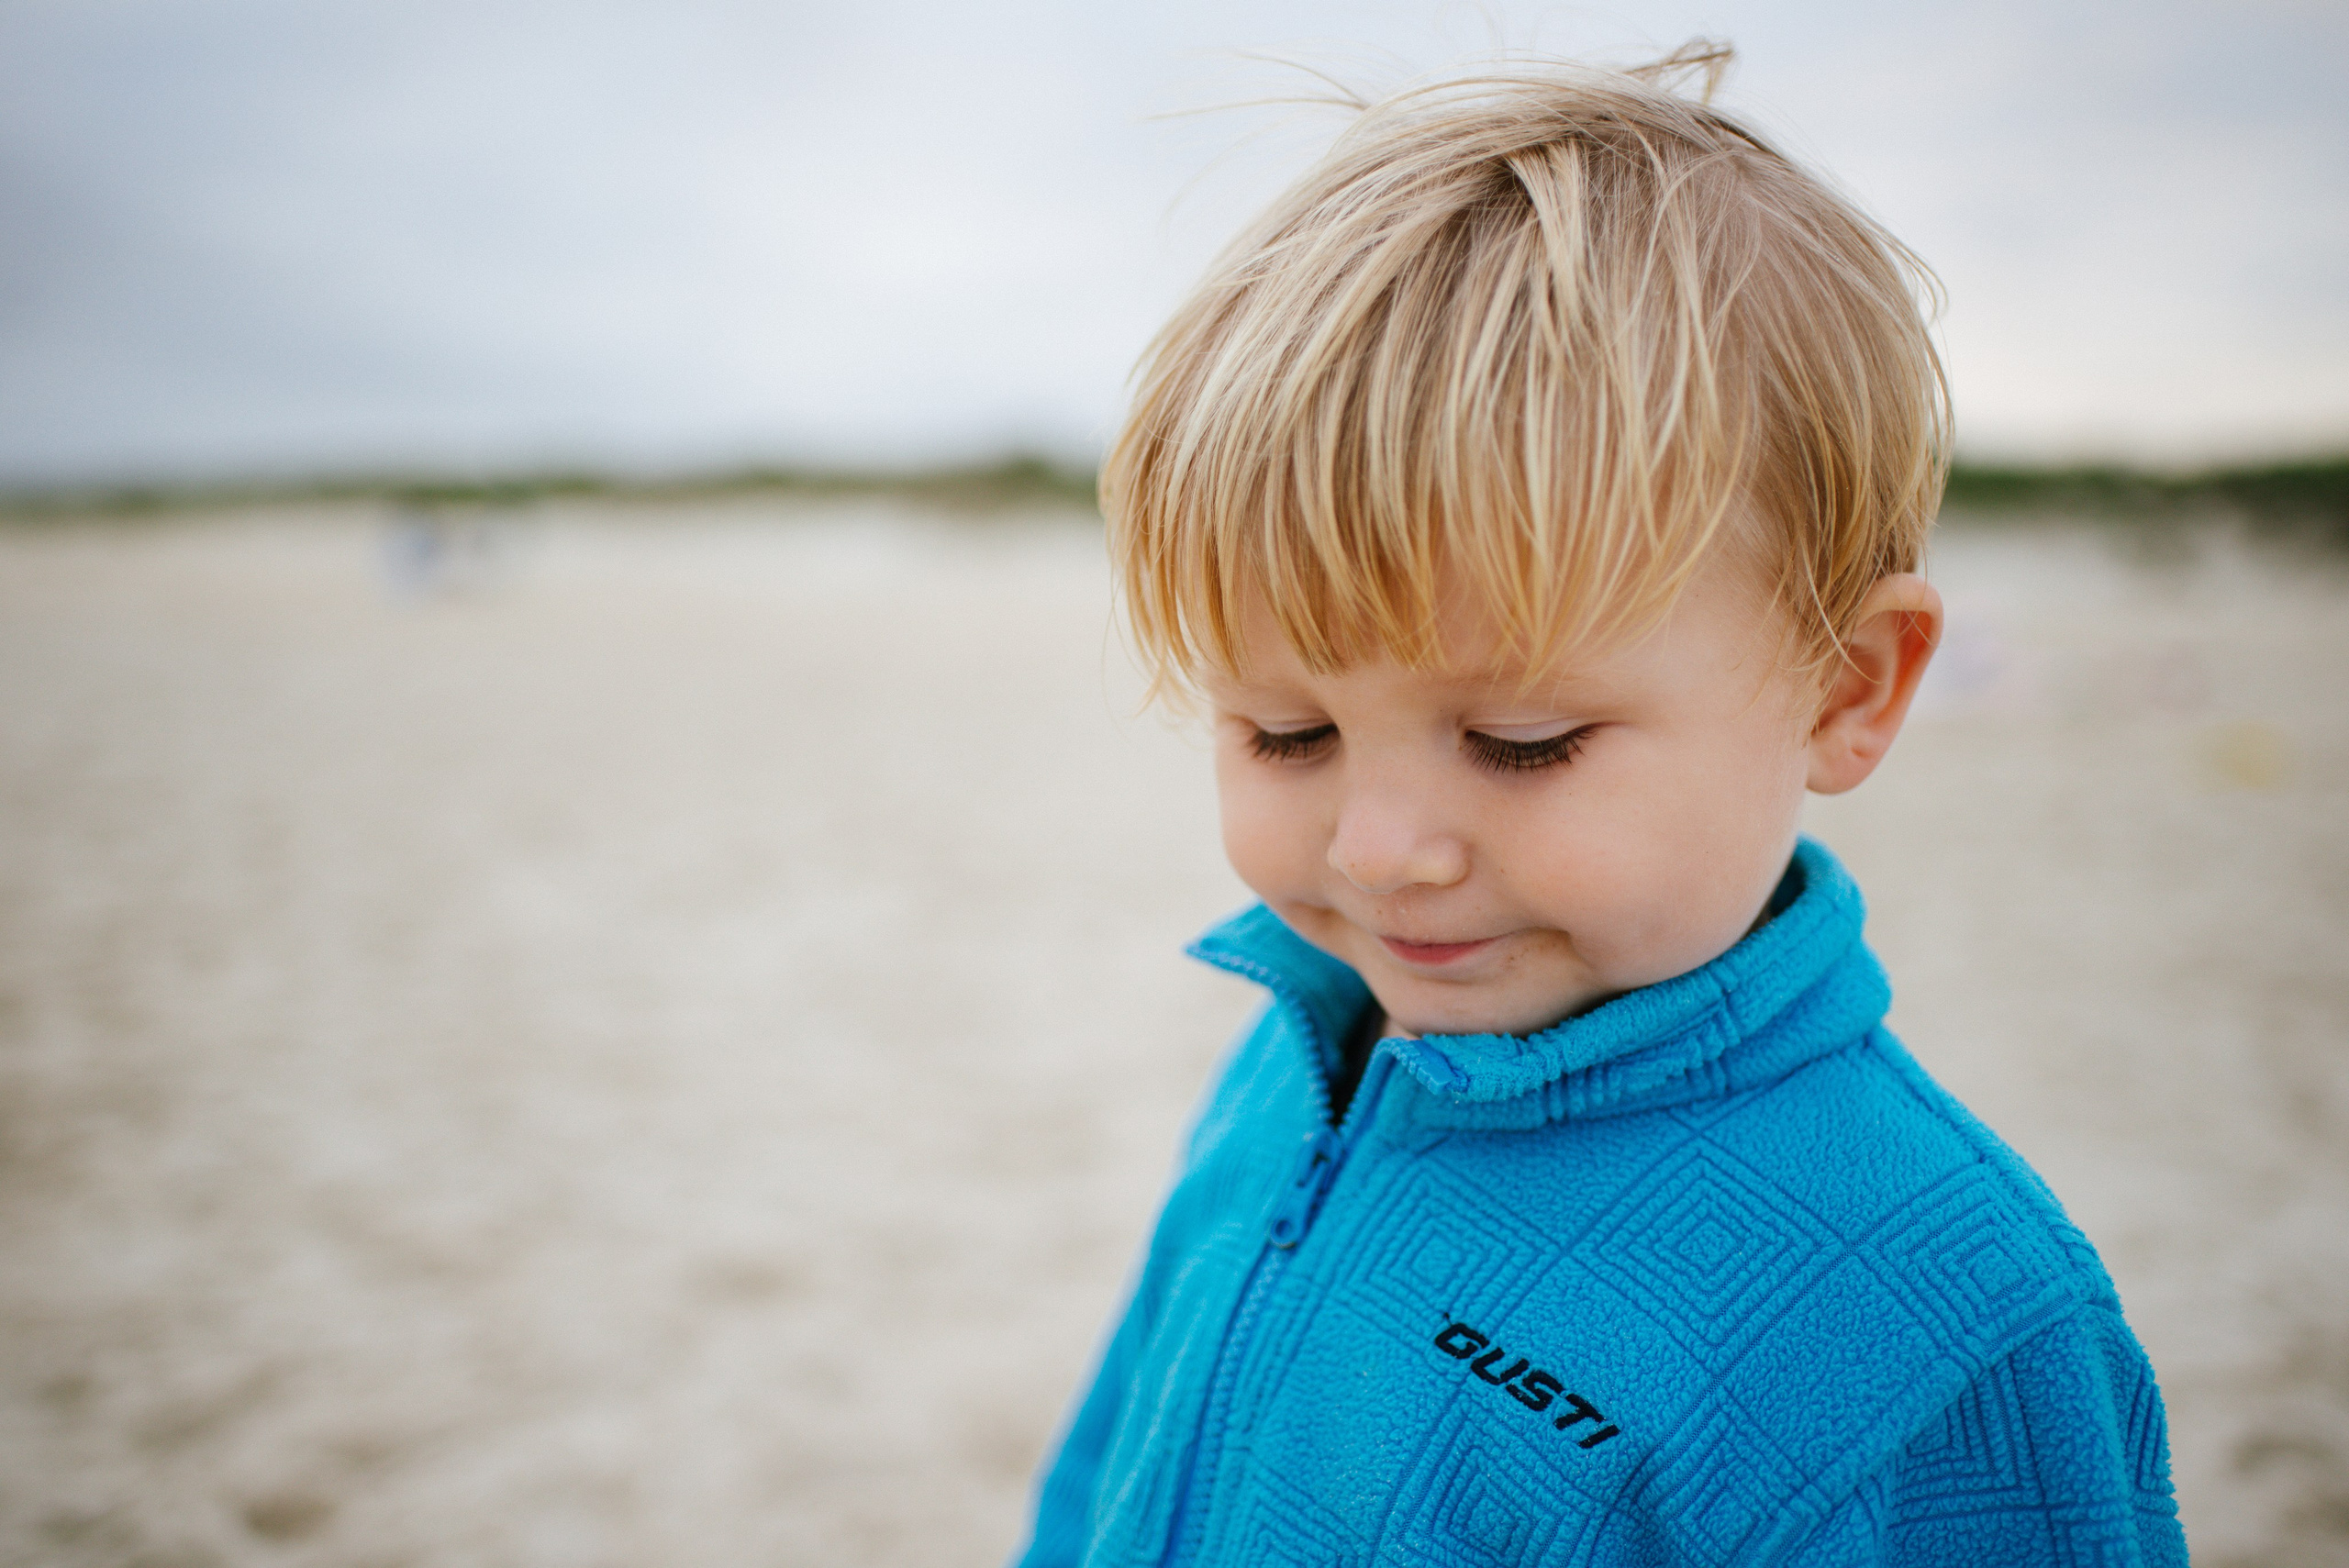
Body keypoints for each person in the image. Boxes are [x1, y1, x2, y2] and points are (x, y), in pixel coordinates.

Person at [1013, 44, 2188, 1566]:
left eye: (1521, 740)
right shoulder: (1300, 1053)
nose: (1379, 853)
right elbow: (1113, 1476)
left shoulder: (1942, 1330)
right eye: (1285, 731)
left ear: (1847, 685)